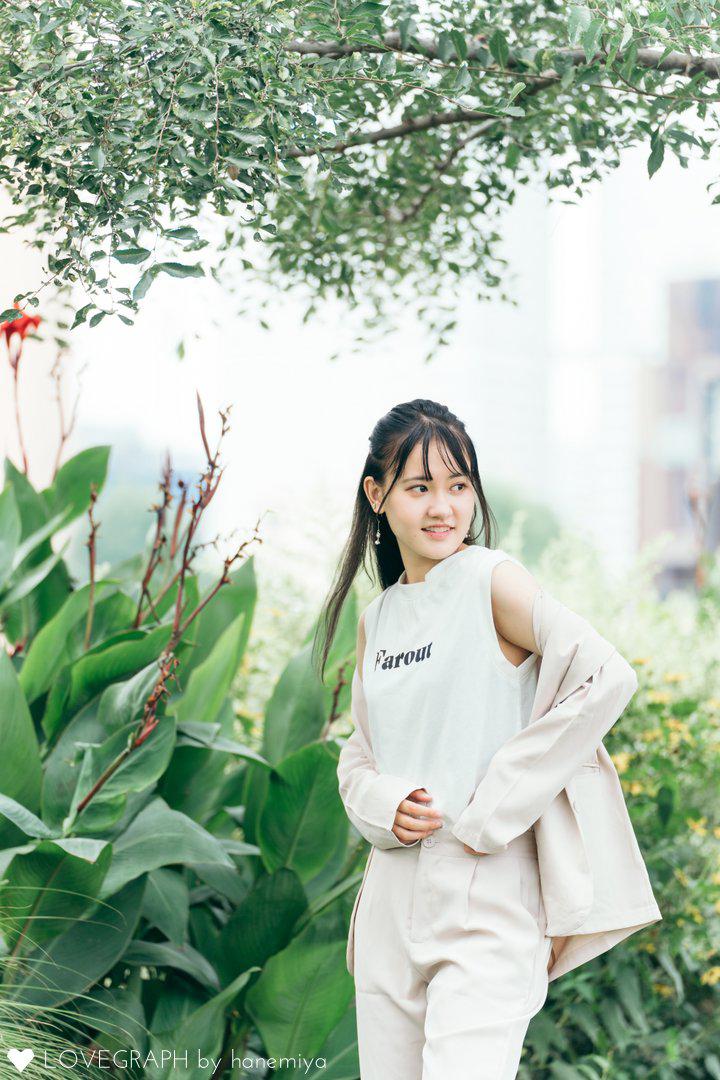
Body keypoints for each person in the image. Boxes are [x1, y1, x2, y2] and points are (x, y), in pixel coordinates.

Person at [312, 398, 660, 1080]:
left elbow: (604, 676)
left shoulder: (490, 580)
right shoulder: (378, 618)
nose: (443, 507)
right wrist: (386, 803)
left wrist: (496, 804)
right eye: (419, 488)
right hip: (389, 906)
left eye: (458, 485)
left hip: (487, 900)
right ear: (377, 495)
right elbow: (360, 754)